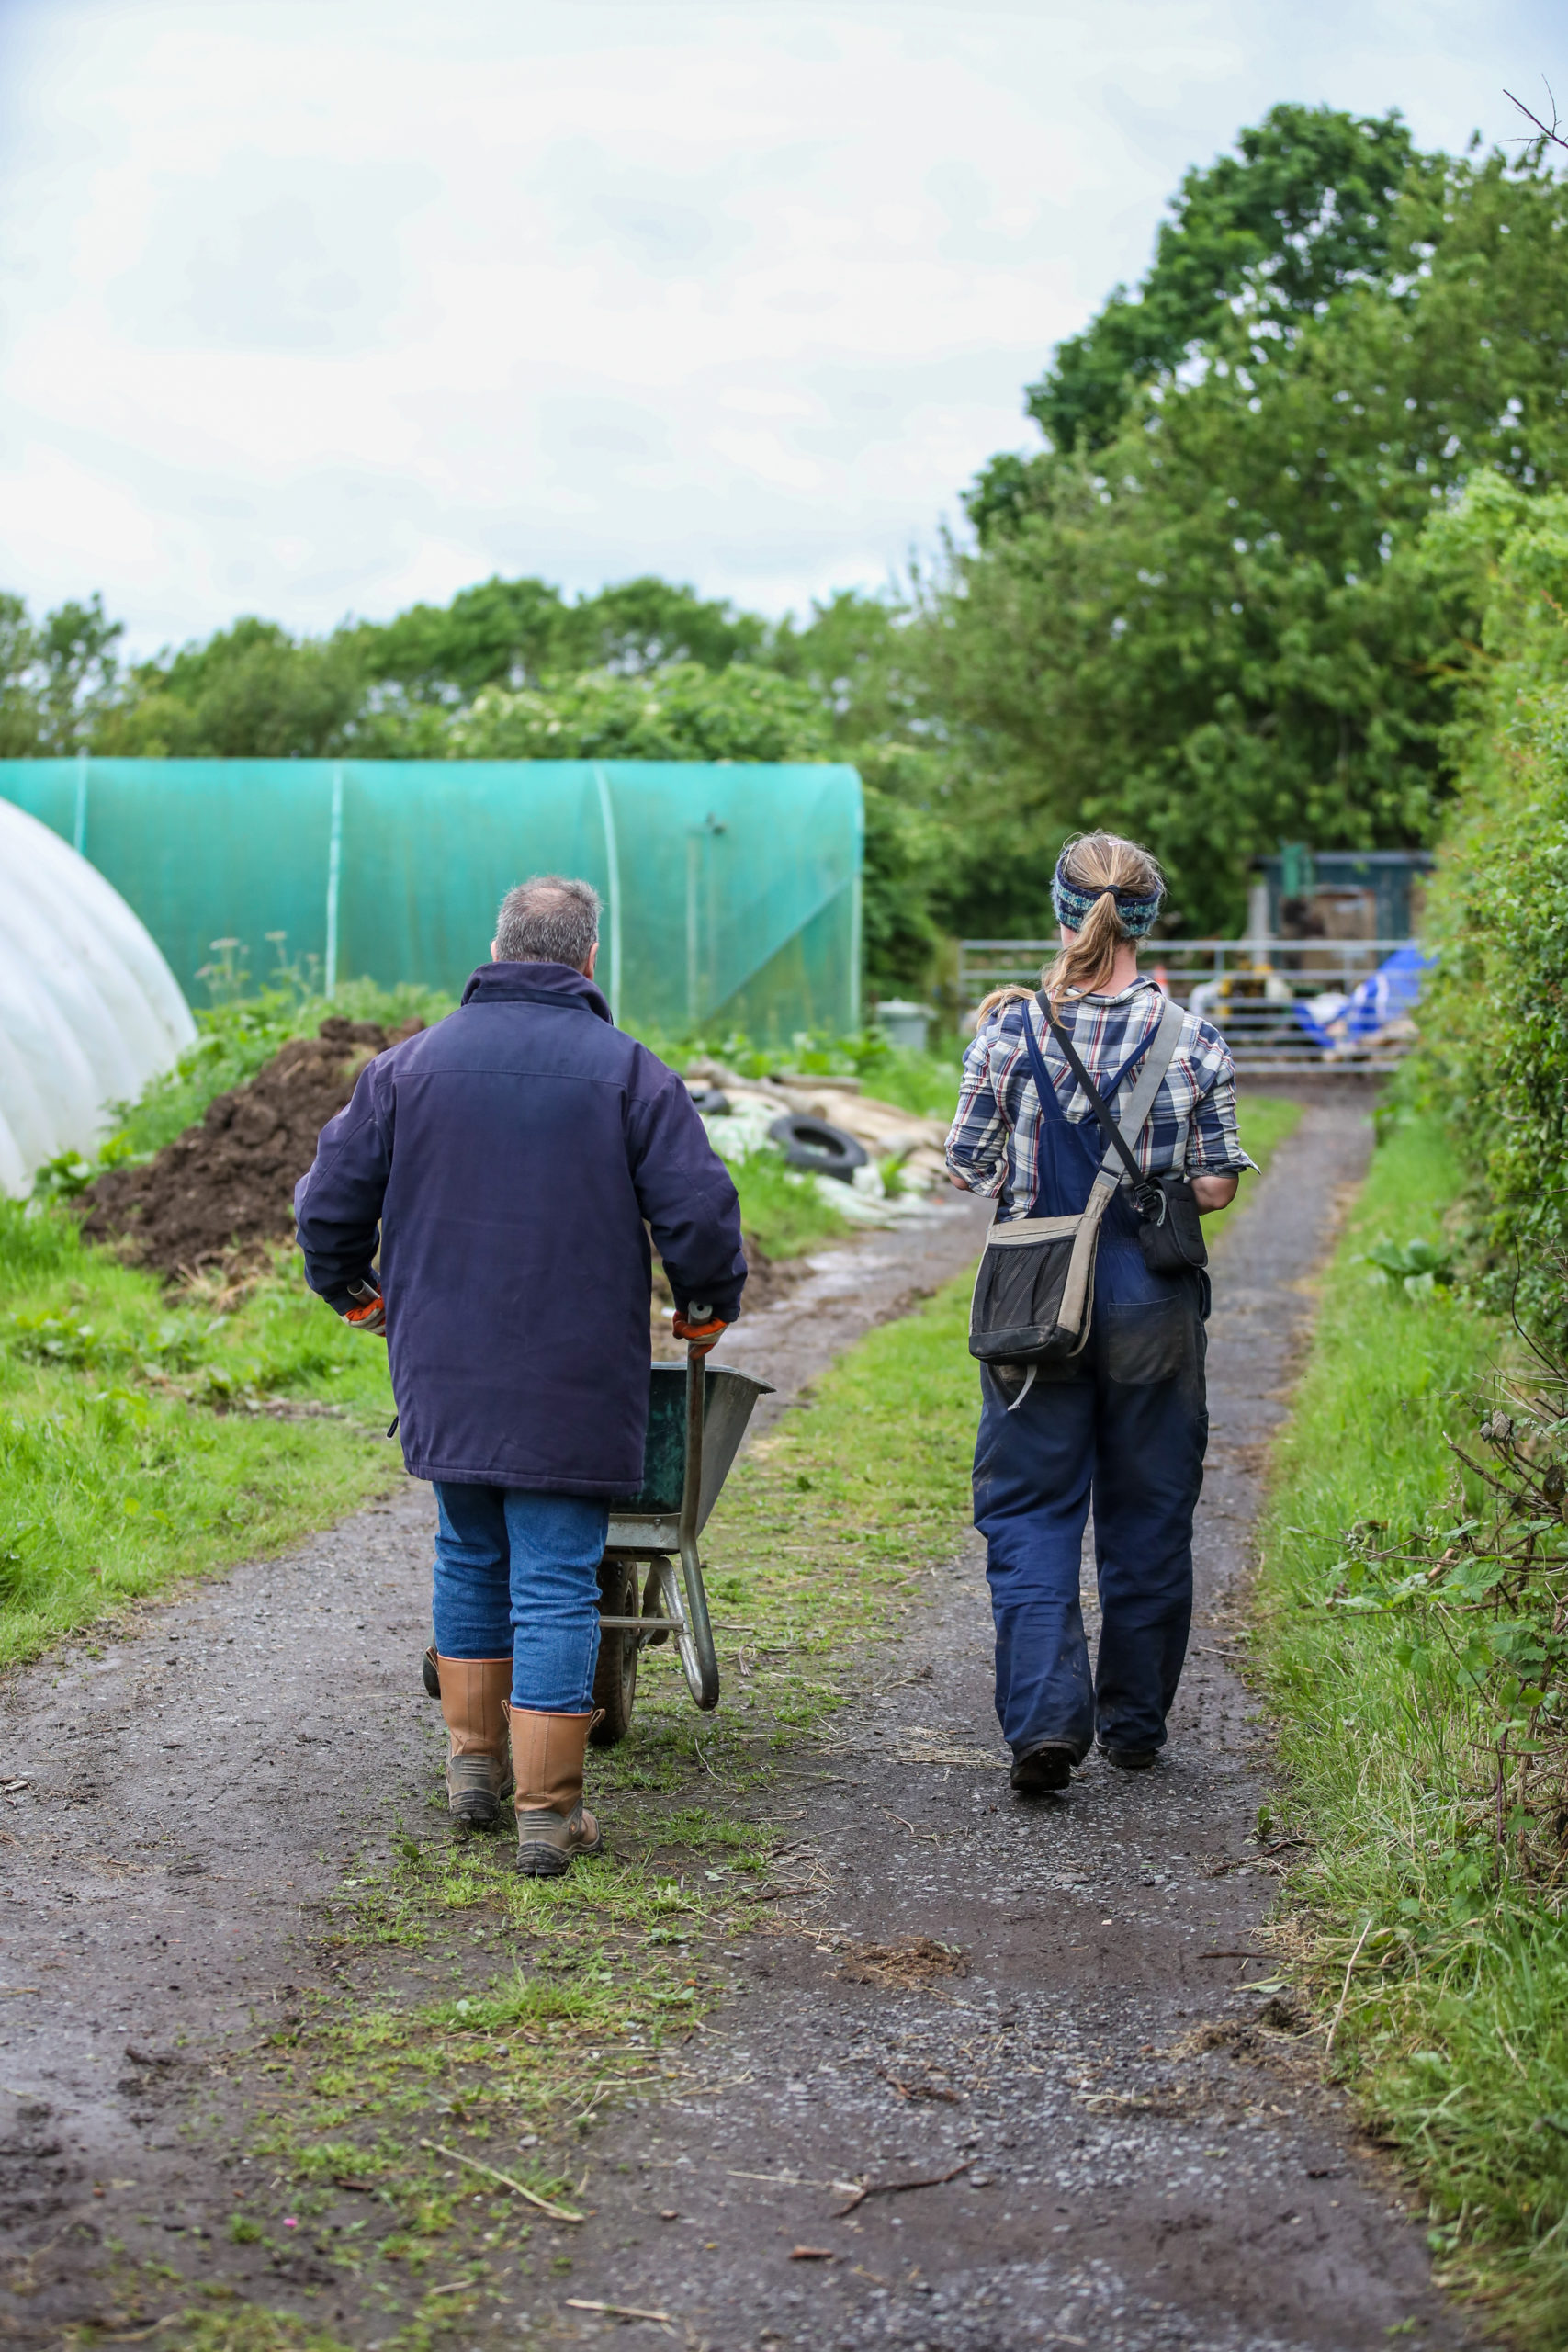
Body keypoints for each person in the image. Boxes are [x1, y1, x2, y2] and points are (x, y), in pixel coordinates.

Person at [292, 876, 745, 1874]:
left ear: (496, 951)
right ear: (590, 962)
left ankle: (472, 1770)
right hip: (577, 1372)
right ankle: (548, 1811)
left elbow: (327, 1210)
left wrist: (362, 1300)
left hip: (446, 1365)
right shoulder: (630, 1073)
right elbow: (700, 1218)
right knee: (554, 1579)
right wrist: (705, 1305)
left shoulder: (405, 1069)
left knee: (468, 1552)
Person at [945, 831, 1254, 1795]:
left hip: (1037, 1295)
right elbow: (1213, 1187)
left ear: (1062, 912)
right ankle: (1131, 1727)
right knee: (1151, 1508)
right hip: (1151, 1295)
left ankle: (1043, 1721)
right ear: (1149, 922)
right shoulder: (1195, 1039)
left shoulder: (1008, 1033)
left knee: (1032, 1509)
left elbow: (968, 1168)